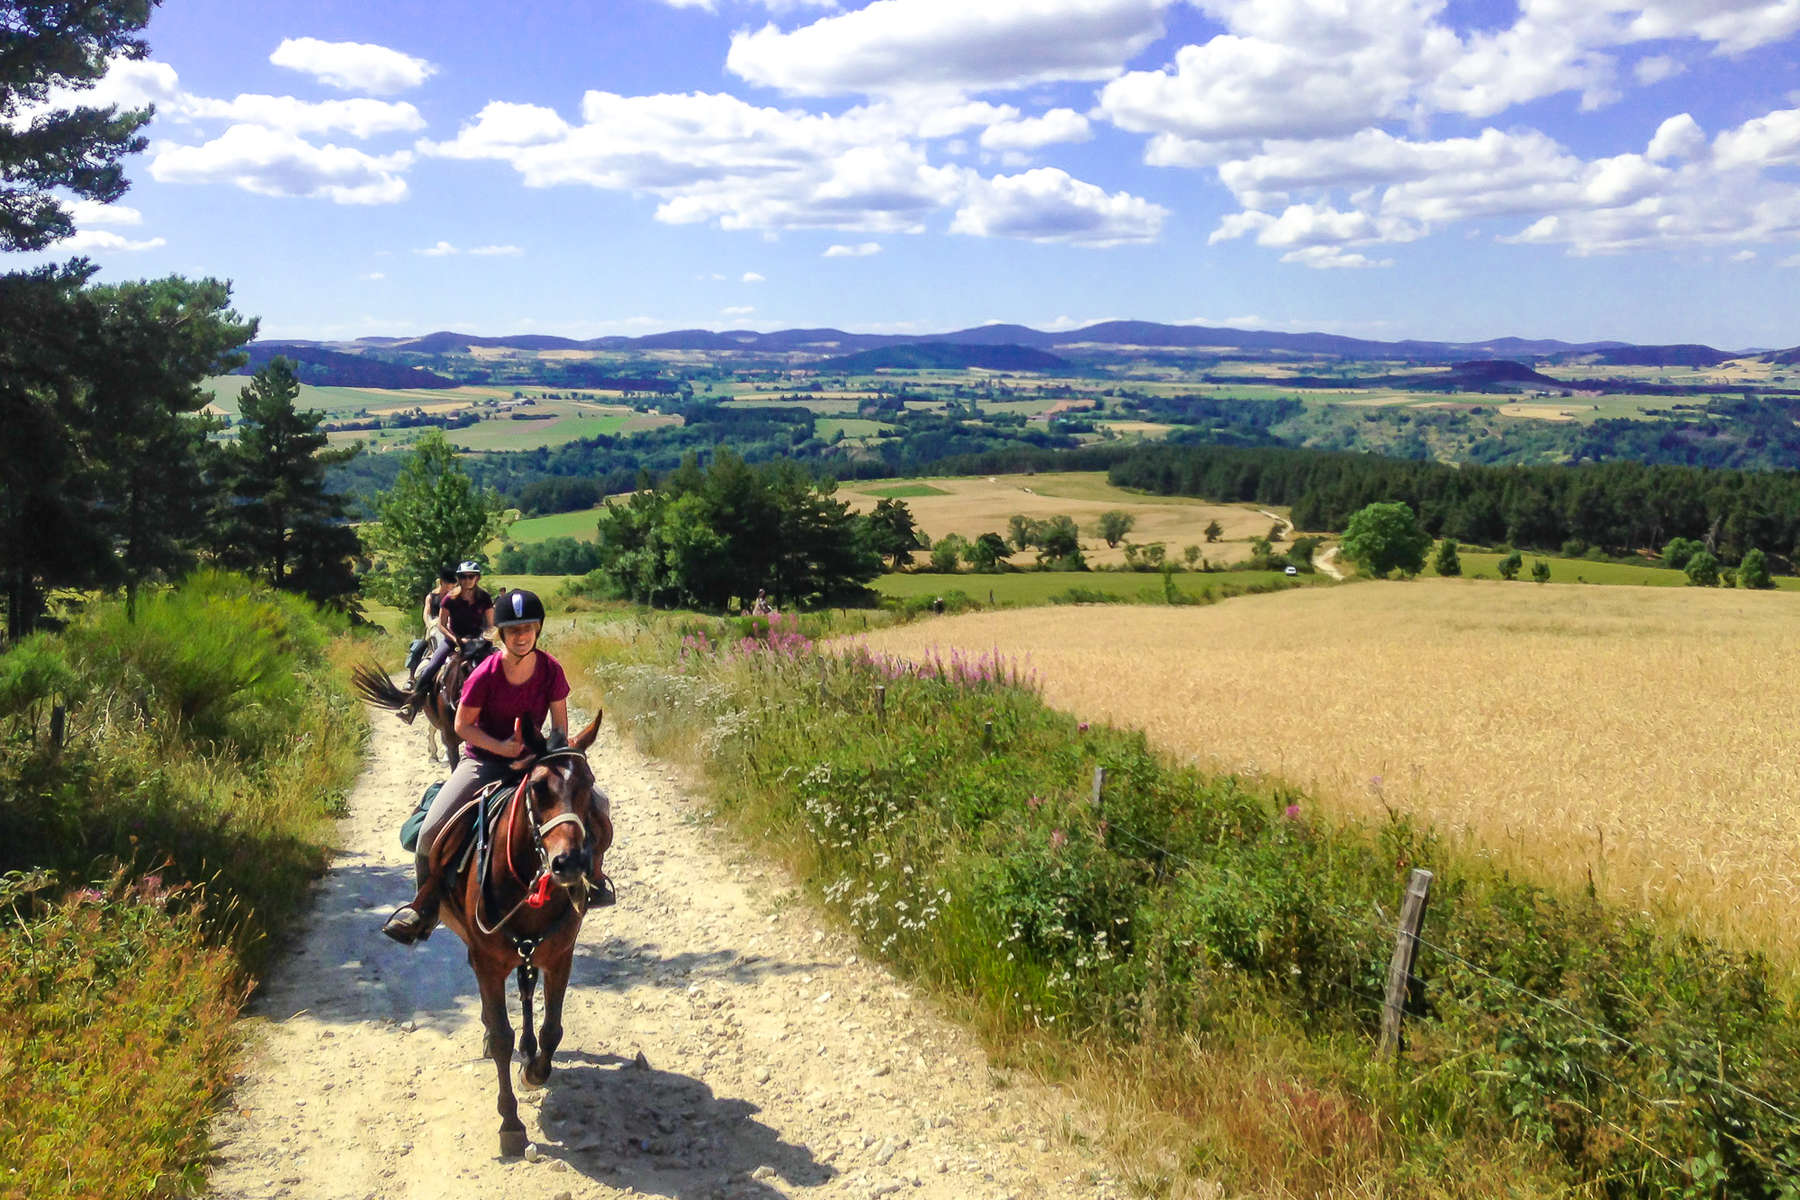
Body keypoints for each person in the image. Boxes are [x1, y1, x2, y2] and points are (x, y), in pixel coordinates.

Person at [382, 587, 571, 944]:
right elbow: (461, 726)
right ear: (501, 633)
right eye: (514, 630)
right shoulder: (485, 673)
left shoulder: (551, 670)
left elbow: (560, 728)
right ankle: (424, 907)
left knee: (593, 805)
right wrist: (501, 747)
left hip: (534, 760)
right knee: (430, 831)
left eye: (529, 628)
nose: (522, 635)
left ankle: (588, 883)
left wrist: (543, 754)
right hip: (482, 761)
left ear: (539, 629)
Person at [403, 560, 492, 722]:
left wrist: (482, 637)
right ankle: (412, 705)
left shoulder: (484, 598)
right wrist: (456, 640)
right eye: (463, 577)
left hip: (477, 642)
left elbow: (491, 624)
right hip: (452, 640)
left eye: (471, 576)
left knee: (501, 664)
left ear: (477, 578)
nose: (467, 580)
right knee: (432, 666)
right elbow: (441, 625)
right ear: (459, 578)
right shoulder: (450, 599)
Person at [405, 567, 458, 683]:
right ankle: (411, 677)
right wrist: (430, 625)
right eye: (450, 585)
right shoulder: (431, 597)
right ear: (442, 583)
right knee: (417, 648)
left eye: (454, 585)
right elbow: (426, 613)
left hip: (449, 626)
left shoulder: (453, 597)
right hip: (433, 627)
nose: (452, 588)